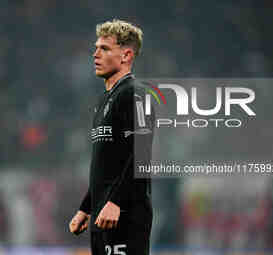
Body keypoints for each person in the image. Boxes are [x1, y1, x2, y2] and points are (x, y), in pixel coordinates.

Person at [69, 19, 155, 255]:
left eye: (105, 48)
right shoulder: (103, 102)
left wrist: (116, 202)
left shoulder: (138, 93)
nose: (95, 54)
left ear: (126, 55)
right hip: (101, 215)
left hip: (125, 215)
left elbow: (142, 154)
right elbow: (106, 166)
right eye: (96, 48)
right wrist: (86, 208)